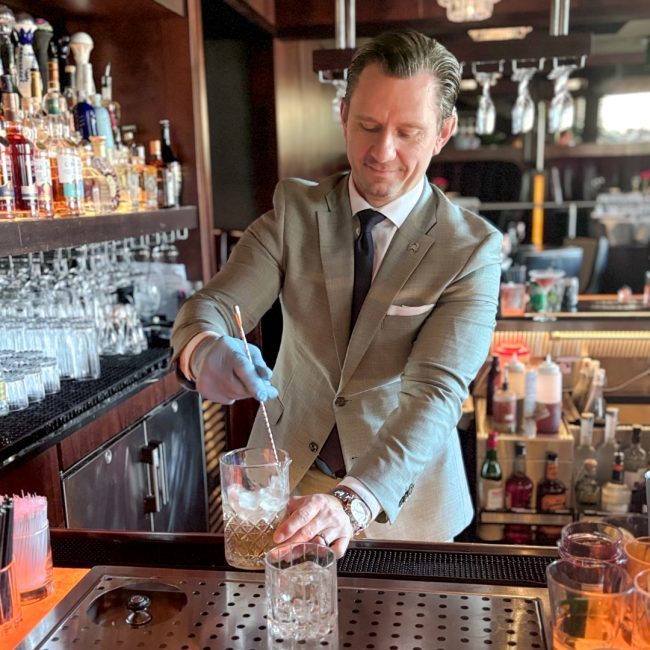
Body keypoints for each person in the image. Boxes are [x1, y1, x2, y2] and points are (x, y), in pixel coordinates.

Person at [172, 30, 502, 558]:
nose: (381, 152)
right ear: (344, 113)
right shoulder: (295, 213)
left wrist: (351, 503)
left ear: (443, 132)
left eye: (408, 132)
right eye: (368, 126)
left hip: (405, 505)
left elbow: (435, 394)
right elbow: (211, 305)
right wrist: (205, 348)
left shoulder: (471, 249)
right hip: (283, 490)